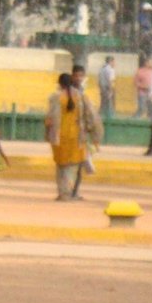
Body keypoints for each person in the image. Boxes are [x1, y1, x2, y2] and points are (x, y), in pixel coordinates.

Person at [46, 71, 103, 200]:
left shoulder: (55, 97)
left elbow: (49, 119)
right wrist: (95, 136)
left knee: (61, 165)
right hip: (76, 137)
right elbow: (93, 118)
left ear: (59, 84)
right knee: (72, 167)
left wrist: (47, 134)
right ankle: (67, 193)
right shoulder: (81, 97)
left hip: (58, 137)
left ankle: (62, 192)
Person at [97, 55, 118, 120]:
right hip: (108, 88)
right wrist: (110, 91)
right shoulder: (110, 69)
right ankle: (111, 118)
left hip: (102, 88)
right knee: (110, 103)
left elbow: (99, 80)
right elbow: (110, 81)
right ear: (110, 61)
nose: (115, 63)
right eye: (114, 62)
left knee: (103, 103)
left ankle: (99, 116)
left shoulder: (102, 69)